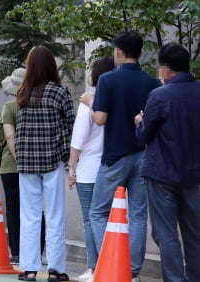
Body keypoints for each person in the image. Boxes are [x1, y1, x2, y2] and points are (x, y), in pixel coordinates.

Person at [79, 31, 160, 281]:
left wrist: (91, 102)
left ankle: (111, 263)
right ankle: (133, 271)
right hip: (144, 154)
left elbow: (100, 119)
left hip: (115, 156)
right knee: (137, 214)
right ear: (141, 53)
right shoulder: (152, 84)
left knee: (98, 212)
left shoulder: (108, 80)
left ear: (118, 52)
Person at [134, 43, 200, 282]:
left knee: (167, 232)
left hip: (161, 172)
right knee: (194, 233)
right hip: (194, 174)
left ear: (165, 69)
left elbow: (144, 134)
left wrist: (139, 121)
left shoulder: (160, 96)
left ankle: (174, 279)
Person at [15, 46, 74, 282]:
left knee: (29, 216)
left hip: (27, 161)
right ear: (52, 65)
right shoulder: (60, 92)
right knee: (55, 215)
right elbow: (70, 126)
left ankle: (29, 269)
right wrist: (69, 160)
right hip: (52, 159)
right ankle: (56, 270)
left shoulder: (23, 92)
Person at [67, 57, 115, 282]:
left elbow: (78, 140)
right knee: (110, 218)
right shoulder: (117, 101)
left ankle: (94, 267)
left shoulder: (88, 102)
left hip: (88, 169)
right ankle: (113, 263)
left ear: (95, 75)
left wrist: (71, 167)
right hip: (113, 168)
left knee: (90, 219)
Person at [0, 67, 46, 265]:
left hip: (11, 166)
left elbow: (10, 136)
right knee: (35, 208)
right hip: (37, 163)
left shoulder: (10, 107)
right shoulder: (40, 104)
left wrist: (19, 158)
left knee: (14, 208)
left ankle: (17, 251)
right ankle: (38, 250)